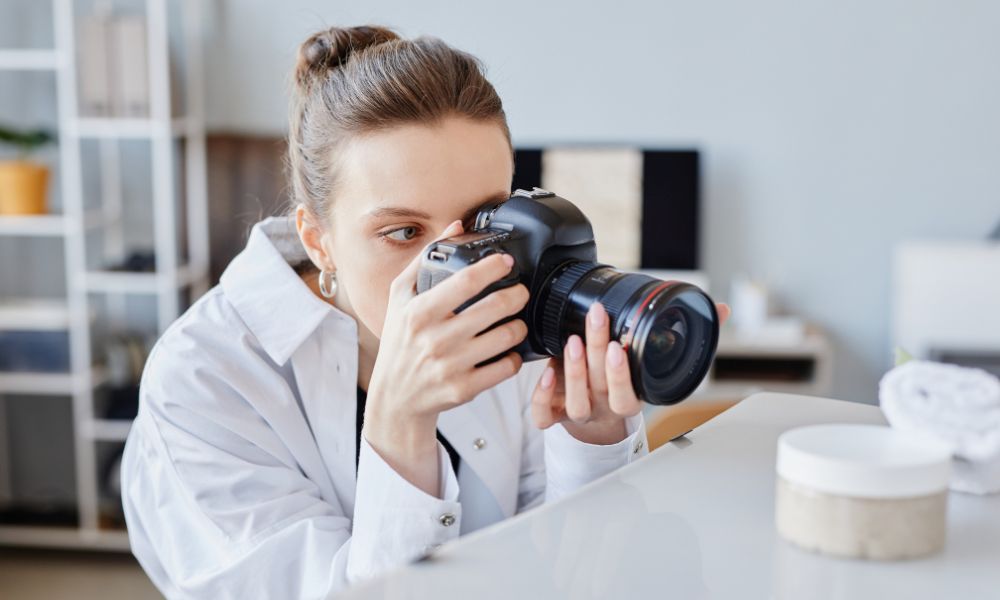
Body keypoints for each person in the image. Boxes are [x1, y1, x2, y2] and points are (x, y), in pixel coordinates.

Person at [120, 25, 730, 599]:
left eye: (487, 222)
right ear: (317, 239)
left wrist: (592, 439)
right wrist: (396, 427)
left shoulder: (514, 300)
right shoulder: (201, 382)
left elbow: (566, 575)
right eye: (404, 231)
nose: (462, 270)